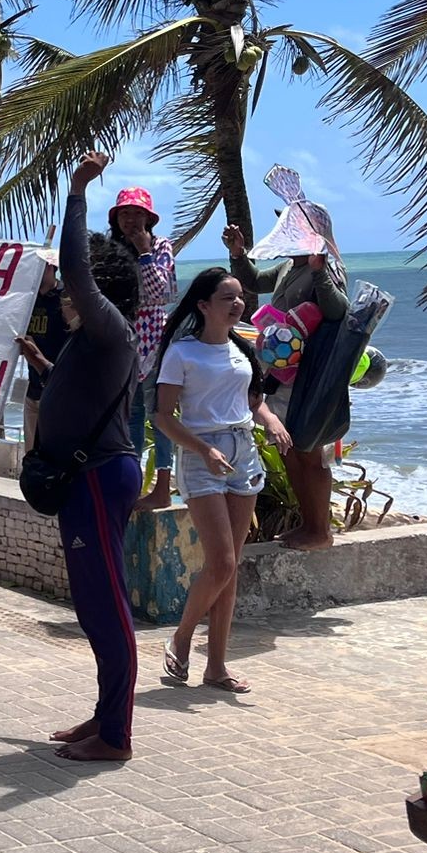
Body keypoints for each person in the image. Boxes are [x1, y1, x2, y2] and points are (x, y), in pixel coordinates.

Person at [36, 154, 141, 762]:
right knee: (93, 604)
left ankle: (117, 737)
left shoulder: (111, 329)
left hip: (99, 479)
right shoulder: (89, 339)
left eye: (78, 286)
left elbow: (75, 267)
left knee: (107, 605)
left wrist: (76, 191)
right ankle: (105, 715)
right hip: (86, 480)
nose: (66, 290)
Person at [154, 268, 292, 695]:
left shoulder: (241, 347)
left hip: (243, 452)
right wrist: (202, 450)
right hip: (202, 456)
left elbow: (254, 402)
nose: (237, 305)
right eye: (226, 298)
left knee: (229, 570)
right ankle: (182, 636)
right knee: (223, 563)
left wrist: (269, 422)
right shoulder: (182, 352)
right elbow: (161, 416)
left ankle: (216, 666)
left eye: (239, 298)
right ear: (203, 305)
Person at [226, 219, 349, 551]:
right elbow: (253, 281)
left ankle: (320, 530)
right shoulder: (287, 267)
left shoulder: (326, 268)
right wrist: (238, 254)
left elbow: (339, 310)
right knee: (291, 451)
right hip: (281, 374)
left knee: (311, 453)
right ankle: (309, 525)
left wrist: (320, 270)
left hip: (310, 376)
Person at [109, 189, 180, 512]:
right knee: (132, 416)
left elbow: (160, 293)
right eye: (124, 214)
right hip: (123, 341)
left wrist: (144, 253)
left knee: (160, 415)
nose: (130, 220)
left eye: (136, 214)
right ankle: (133, 485)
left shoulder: (161, 245)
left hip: (153, 340)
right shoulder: (111, 250)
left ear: (148, 218)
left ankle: (163, 486)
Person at [19, 251, 70, 452]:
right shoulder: (27, 299)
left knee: (55, 450)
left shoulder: (66, 298)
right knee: (31, 451)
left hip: (60, 388)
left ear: (51, 267)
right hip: (33, 387)